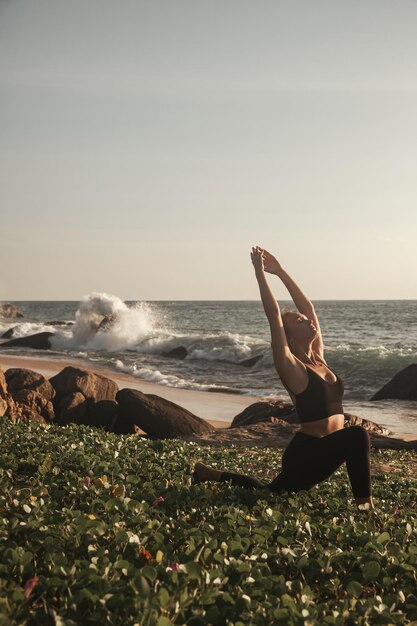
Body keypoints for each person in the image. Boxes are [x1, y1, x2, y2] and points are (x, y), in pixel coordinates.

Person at [193, 246, 374, 512]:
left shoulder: (320, 357)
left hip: (326, 449)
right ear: (288, 338)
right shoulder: (291, 366)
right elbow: (273, 316)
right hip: (306, 453)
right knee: (357, 435)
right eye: (300, 322)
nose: (308, 321)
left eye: (305, 320)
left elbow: (308, 306)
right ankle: (365, 508)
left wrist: (280, 271)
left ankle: (210, 474)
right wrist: (260, 273)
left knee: (269, 492)